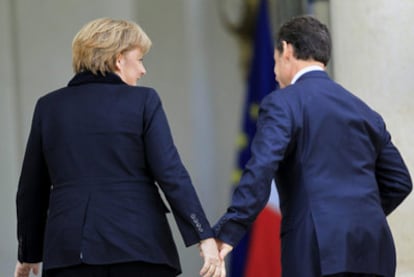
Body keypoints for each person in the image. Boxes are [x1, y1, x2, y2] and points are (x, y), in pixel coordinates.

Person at [15, 18, 225, 277]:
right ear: (118, 59)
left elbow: (31, 189)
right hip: (141, 247)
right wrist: (203, 235)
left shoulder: (48, 107)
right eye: (139, 59)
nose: (143, 70)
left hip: (69, 253)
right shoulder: (144, 101)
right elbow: (171, 173)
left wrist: (28, 253)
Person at [214, 15, 412, 277]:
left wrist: (228, 232)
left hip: (316, 249)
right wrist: (359, 216)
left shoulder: (282, 103)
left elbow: (260, 170)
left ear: (286, 50)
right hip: (372, 248)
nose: (273, 72)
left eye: (274, 61)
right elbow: (400, 181)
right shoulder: (364, 111)